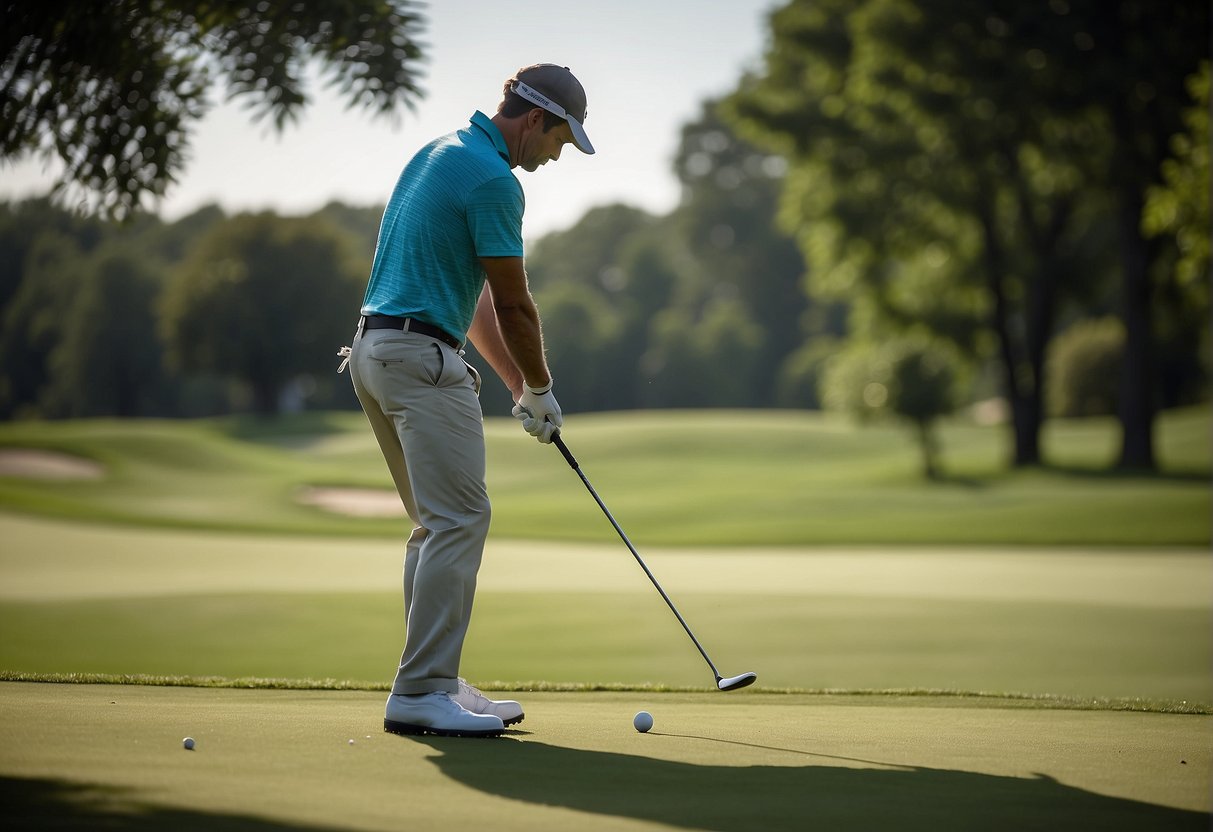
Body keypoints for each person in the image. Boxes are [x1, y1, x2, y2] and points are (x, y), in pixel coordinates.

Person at [340, 64, 595, 737]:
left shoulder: (440, 152)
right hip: (421, 360)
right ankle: (420, 689)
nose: (556, 155)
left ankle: (436, 680)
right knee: (459, 520)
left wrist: (515, 385)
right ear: (534, 119)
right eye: (560, 140)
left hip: (375, 353)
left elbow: (477, 296)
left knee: (434, 523)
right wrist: (541, 387)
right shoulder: (493, 180)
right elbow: (514, 304)